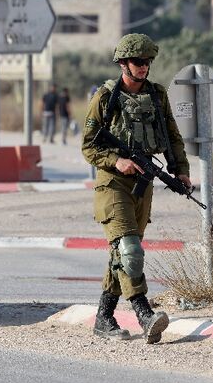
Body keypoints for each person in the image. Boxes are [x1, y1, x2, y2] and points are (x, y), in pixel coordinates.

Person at [81, 33, 192, 344]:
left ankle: (104, 317)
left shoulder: (157, 95)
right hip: (112, 184)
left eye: (147, 62)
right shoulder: (105, 98)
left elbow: (172, 137)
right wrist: (117, 161)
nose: (144, 67)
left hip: (143, 183)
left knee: (122, 253)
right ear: (122, 64)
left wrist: (180, 170)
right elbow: (89, 147)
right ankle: (145, 314)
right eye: (137, 62)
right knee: (130, 251)